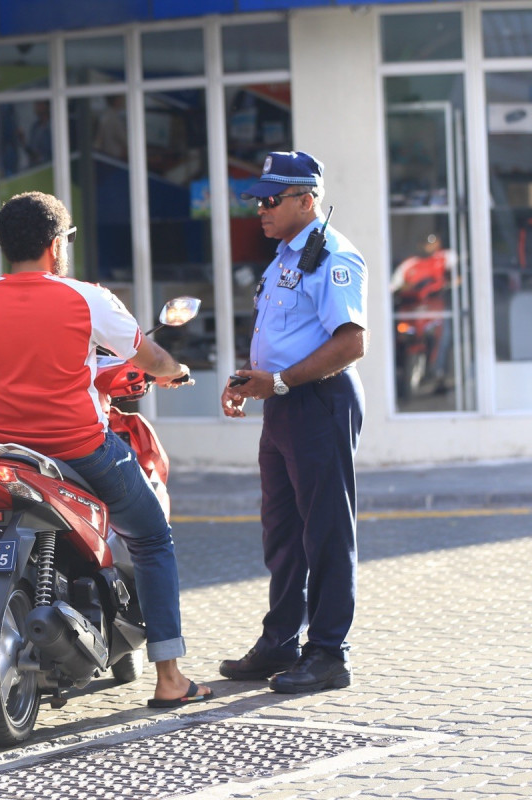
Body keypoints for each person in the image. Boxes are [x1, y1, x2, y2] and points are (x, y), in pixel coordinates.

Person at [0, 191, 213, 709]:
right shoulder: (87, 298)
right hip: (78, 450)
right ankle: (169, 677)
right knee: (152, 537)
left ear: (5, 245)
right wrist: (175, 370)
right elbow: (150, 358)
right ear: (56, 246)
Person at [219, 151, 368, 694]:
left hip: (318, 401)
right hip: (284, 404)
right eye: (258, 200)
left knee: (325, 531)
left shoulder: (334, 255)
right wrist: (249, 379)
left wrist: (279, 382)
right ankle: (280, 640)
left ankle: (328, 653)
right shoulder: (285, 256)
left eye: (271, 200)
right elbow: (283, 334)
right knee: (282, 533)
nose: (260, 209)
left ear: (307, 201)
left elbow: (351, 343)